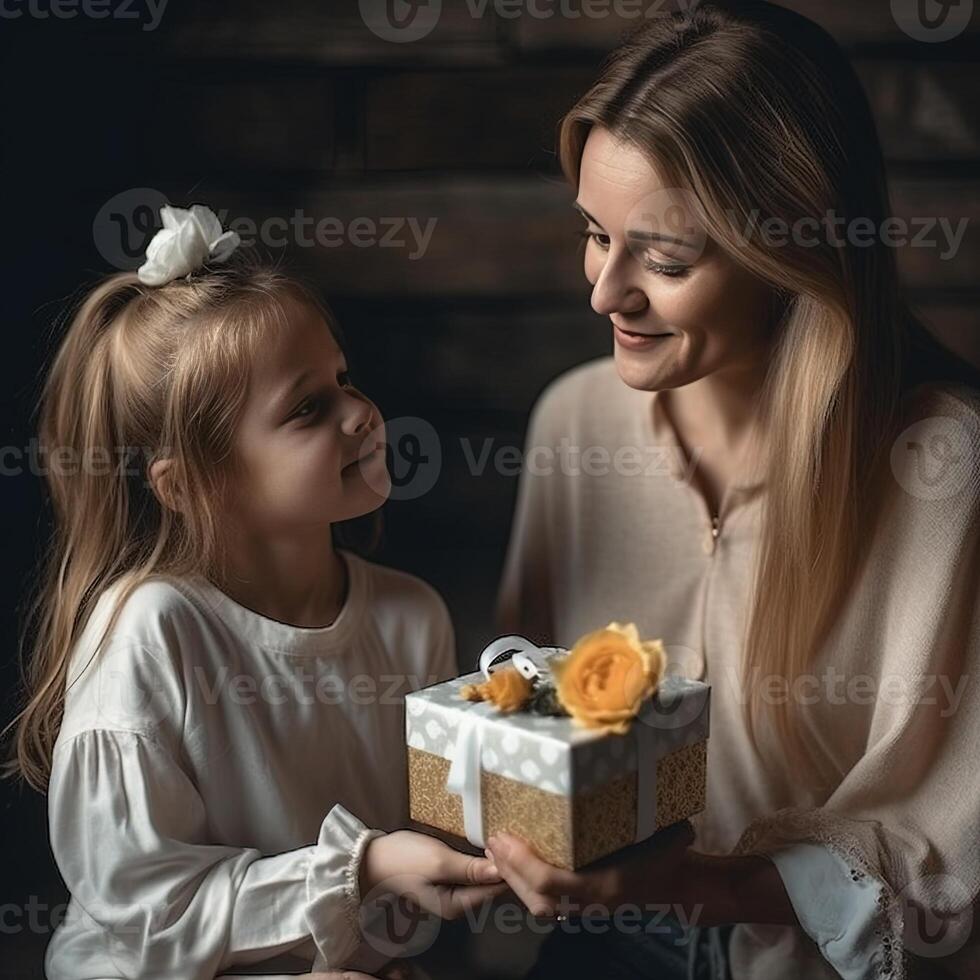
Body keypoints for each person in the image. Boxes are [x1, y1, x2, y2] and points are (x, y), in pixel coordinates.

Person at [492, 3, 980, 979]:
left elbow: (952, 853)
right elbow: (518, 716)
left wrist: (701, 885)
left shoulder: (945, 469)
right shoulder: (570, 424)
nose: (604, 292)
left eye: (664, 259)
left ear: (791, 250)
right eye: (595, 235)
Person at [2, 205, 505, 979]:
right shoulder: (153, 630)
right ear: (194, 483)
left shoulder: (411, 617)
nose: (362, 414)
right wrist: (361, 870)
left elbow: (425, 856)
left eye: (344, 379)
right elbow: (150, 917)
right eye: (309, 408)